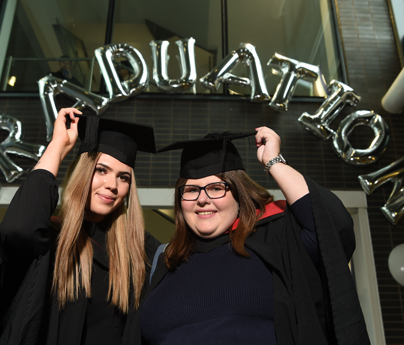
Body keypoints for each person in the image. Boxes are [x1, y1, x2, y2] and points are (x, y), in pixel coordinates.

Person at [132, 128, 370, 344]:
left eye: (217, 188)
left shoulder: (275, 239)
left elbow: (332, 225)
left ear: (239, 194)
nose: (202, 199)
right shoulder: (164, 260)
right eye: (191, 190)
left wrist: (274, 162)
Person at [0, 108, 161, 345]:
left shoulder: (138, 249)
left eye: (123, 177)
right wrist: (58, 146)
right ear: (83, 172)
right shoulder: (51, 240)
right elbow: (19, 228)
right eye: (101, 170)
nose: (112, 185)